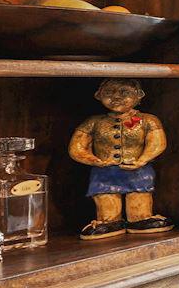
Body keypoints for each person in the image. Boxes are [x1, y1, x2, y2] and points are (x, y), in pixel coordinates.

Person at [67, 79, 171, 240]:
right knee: (106, 200)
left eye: (124, 93)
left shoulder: (149, 120)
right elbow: (77, 147)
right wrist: (94, 160)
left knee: (139, 198)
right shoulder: (93, 122)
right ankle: (109, 222)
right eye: (109, 93)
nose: (116, 97)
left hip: (137, 170)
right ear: (98, 96)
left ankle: (140, 220)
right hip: (104, 172)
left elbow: (157, 142)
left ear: (139, 96)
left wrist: (142, 159)